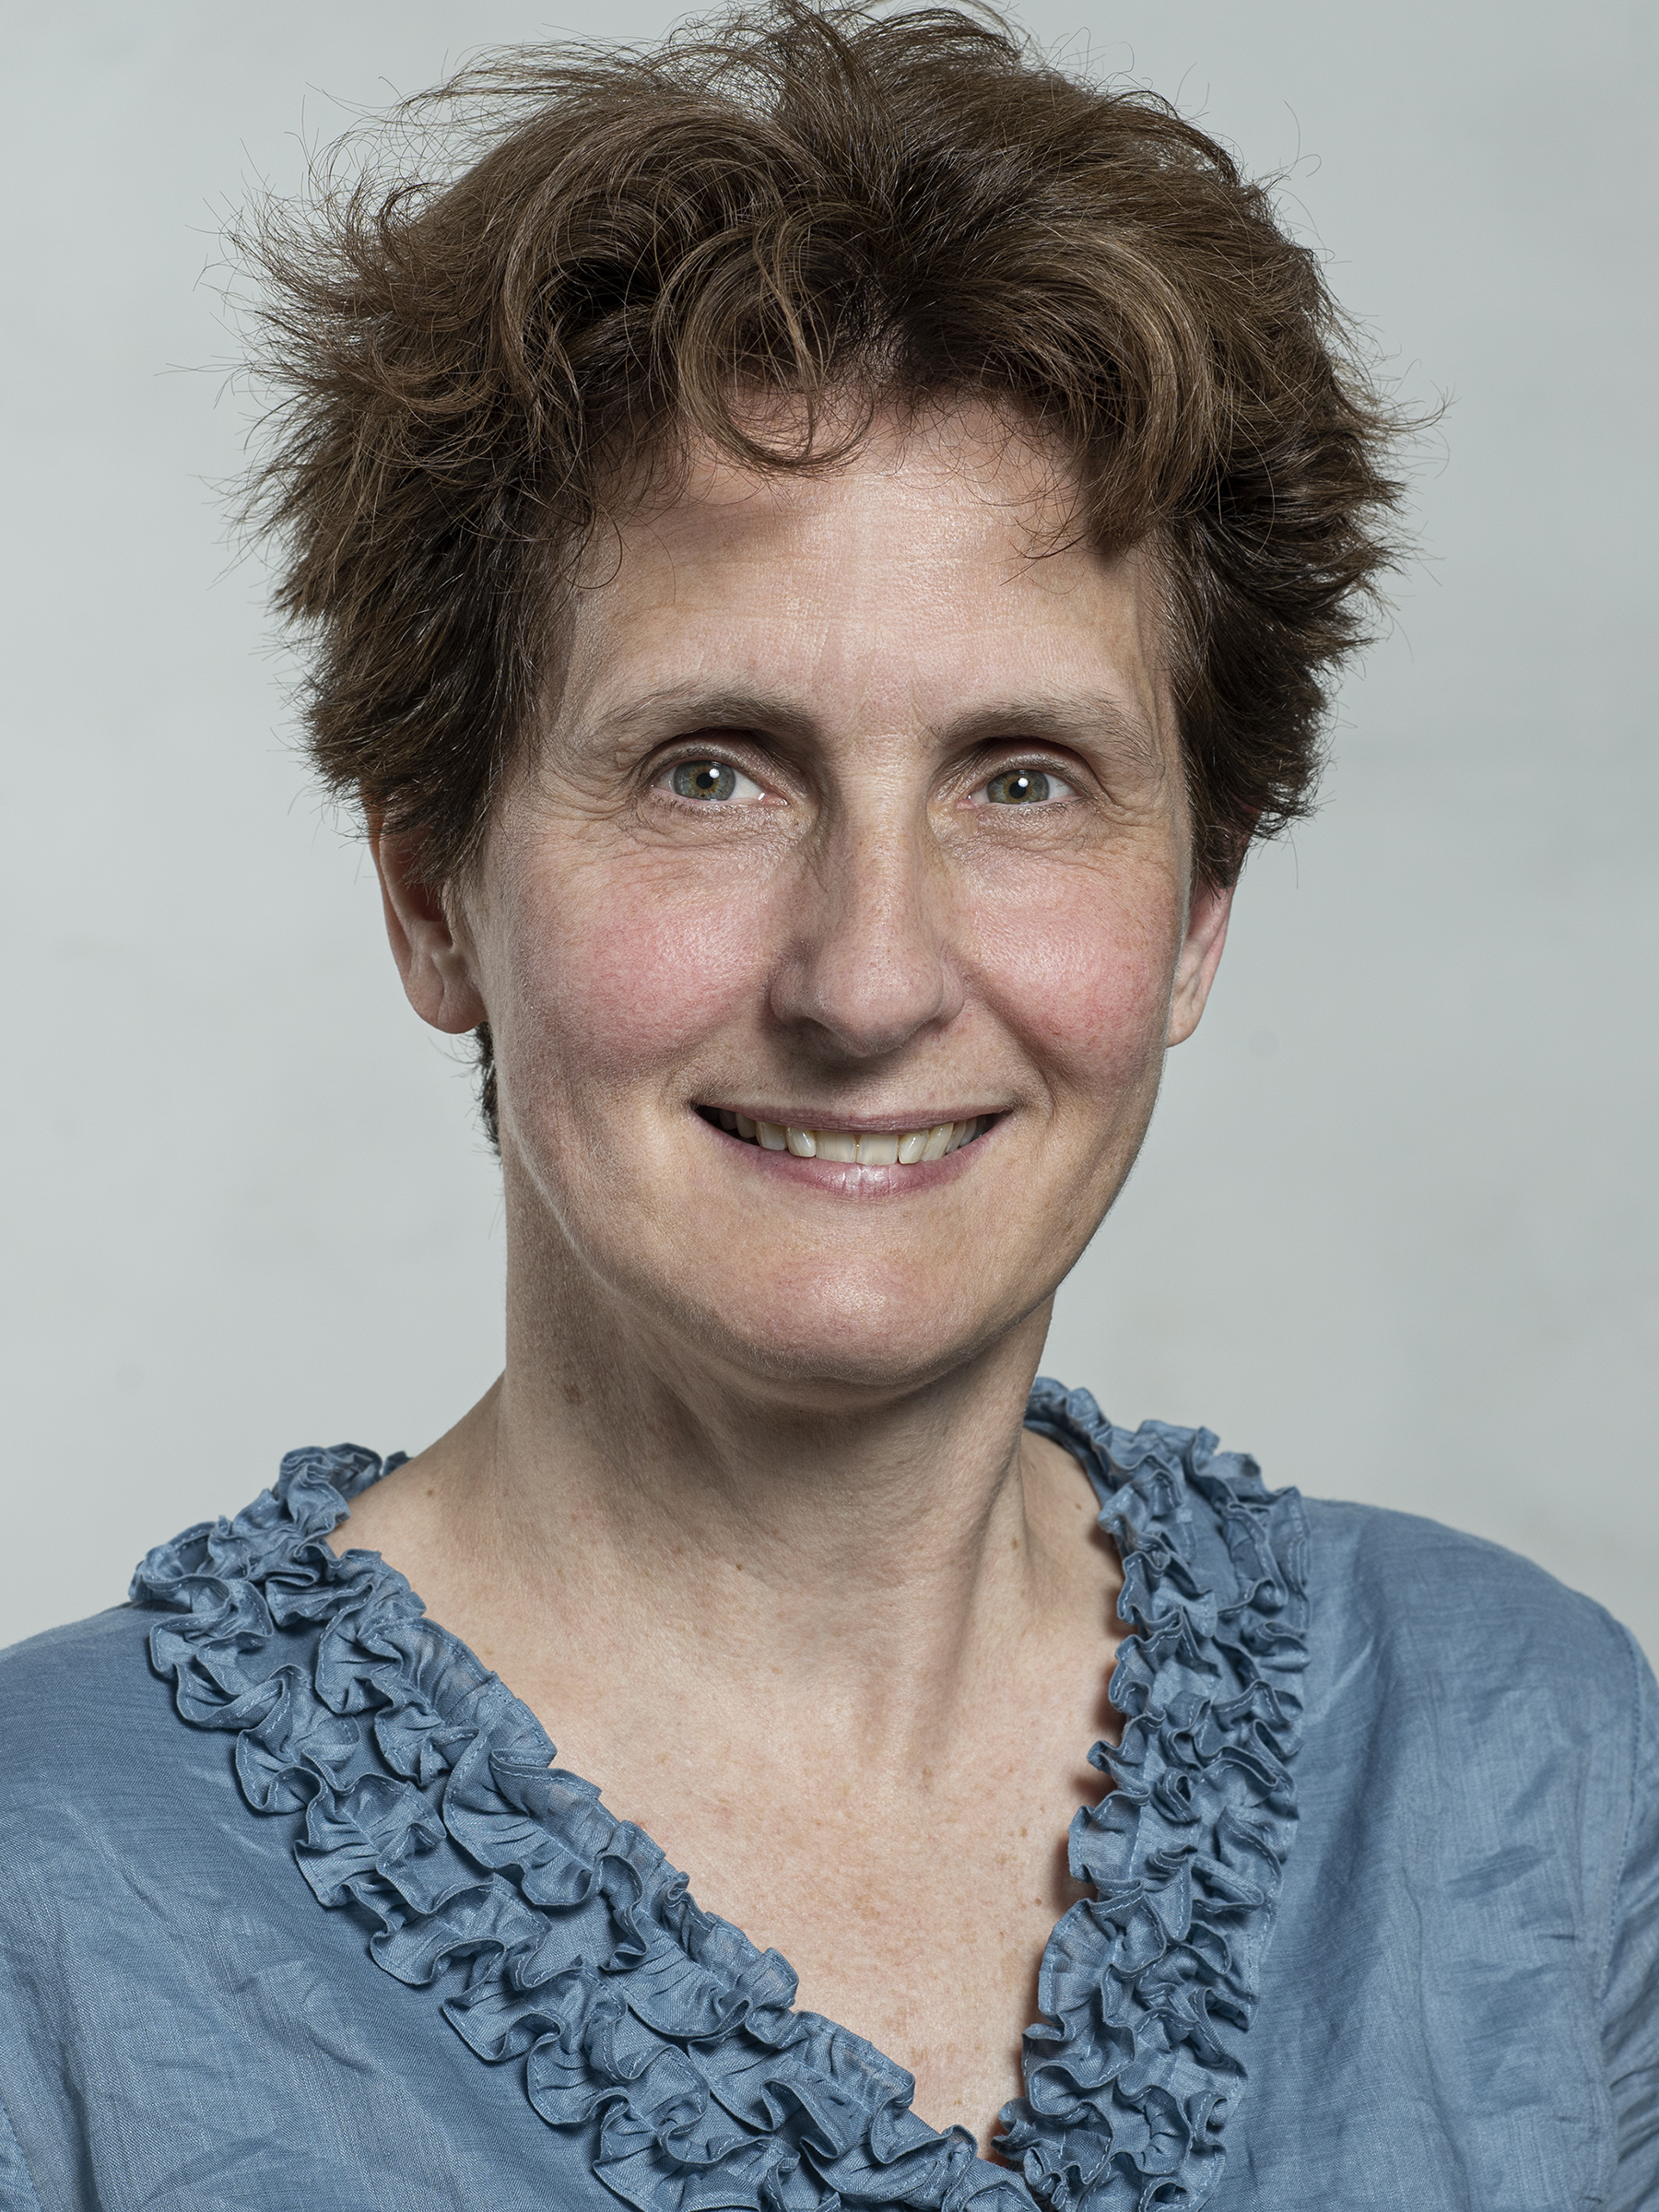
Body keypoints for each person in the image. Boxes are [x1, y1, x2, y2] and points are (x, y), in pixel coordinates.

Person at [1, 5, 1653, 2207]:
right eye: (711, 772)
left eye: (1024, 781)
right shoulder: (48, 1906)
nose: (869, 980)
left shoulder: (1524, 1763)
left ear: (1199, 913)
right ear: (430, 892)